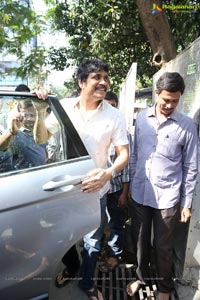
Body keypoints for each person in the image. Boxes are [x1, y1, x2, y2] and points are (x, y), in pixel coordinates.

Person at [34, 59, 129, 300]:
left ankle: (87, 282)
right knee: (60, 239)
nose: (104, 82)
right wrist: (39, 111)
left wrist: (107, 173)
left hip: (95, 191)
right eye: (97, 77)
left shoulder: (114, 115)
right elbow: (40, 138)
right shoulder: (62, 107)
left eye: (106, 77)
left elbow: (124, 154)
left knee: (93, 242)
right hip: (63, 189)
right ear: (81, 81)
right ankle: (72, 268)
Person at [127, 72, 198, 300]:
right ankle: (141, 278)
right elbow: (135, 154)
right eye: (166, 99)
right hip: (140, 192)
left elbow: (191, 167)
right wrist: (130, 184)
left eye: (175, 100)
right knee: (139, 241)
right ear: (156, 93)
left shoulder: (186, 126)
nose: (169, 105)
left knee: (163, 246)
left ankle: (165, 287)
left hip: (167, 198)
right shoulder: (142, 119)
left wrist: (186, 202)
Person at [99, 91, 130, 272]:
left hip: (116, 188)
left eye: (113, 105)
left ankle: (114, 255)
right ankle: (100, 250)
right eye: (105, 105)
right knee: (97, 223)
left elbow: (126, 165)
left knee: (115, 223)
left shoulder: (122, 132)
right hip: (97, 188)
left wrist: (125, 192)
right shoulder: (95, 130)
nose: (109, 109)